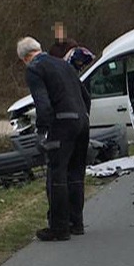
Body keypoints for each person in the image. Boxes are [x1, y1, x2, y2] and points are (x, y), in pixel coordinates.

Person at [17, 37, 91, 241]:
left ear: (24, 58)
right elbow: (85, 95)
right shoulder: (63, 64)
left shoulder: (34, 69)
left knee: (56, 173)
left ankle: (59, 228)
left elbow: (43, 104)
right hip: (82, 121)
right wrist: (84, 117)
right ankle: (77, 223)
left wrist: (42, 132)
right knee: (76, 173)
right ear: (39, 48)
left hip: (63, 122)